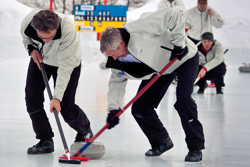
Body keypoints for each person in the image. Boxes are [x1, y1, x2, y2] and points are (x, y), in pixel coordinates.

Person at [100, 8, 205, 162]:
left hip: (183, 57)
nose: (114, 59)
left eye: (114, 54)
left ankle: (195, 147)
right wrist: (113, 109)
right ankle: (161, 141)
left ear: (121, 43)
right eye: (110, 56)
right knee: (140, 108)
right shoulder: (117, 60)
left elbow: (172, 14)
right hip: (160, 69)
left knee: (183, 100)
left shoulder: (140, 27)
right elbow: (116, 82)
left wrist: (179, 44)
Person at [20, 9, 93, 154]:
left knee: (66, 107)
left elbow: (65, 67)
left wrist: (56, 97)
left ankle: (84, 130)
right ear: (36, 29)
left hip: (67, 62)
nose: (47, 41)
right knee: (32, 99)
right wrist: (31, 49)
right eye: (43, 38)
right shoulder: (28, 23)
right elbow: (26, 38)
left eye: (51, 37)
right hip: (42, 59)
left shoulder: (67, 29)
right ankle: (45, 140)